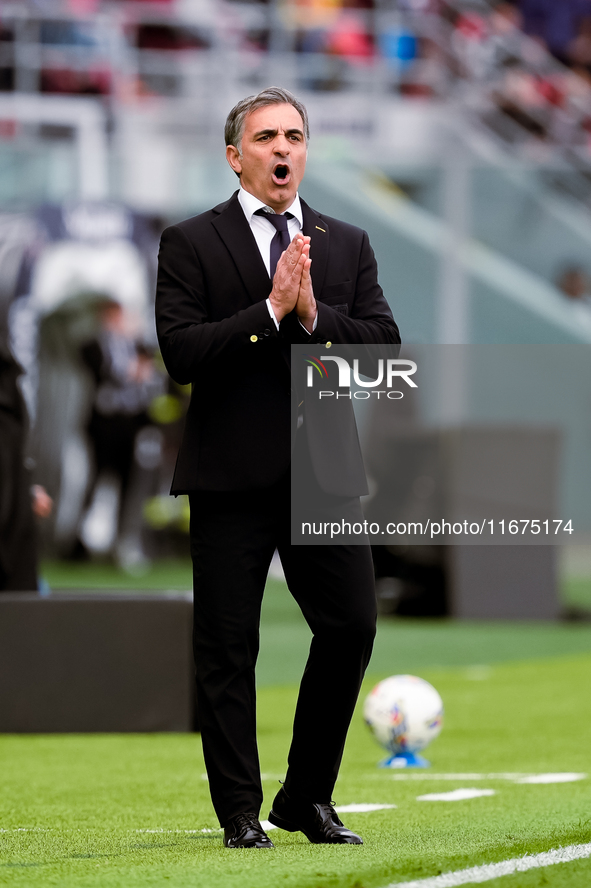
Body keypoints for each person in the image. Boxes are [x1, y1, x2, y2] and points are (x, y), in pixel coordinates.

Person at [155, 86, 399, 849]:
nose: (282, 148)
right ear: (235, 156)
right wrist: (266, 314)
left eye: (293, 134)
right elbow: (181, 354)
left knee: (352, 624)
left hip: (323, 472)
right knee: (228, 648)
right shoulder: (191, 241)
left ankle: (305, 797)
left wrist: (313, 316)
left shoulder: (345, 241)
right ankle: (238, 812)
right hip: (229, 474)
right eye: (265, 137)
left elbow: (382, 349)